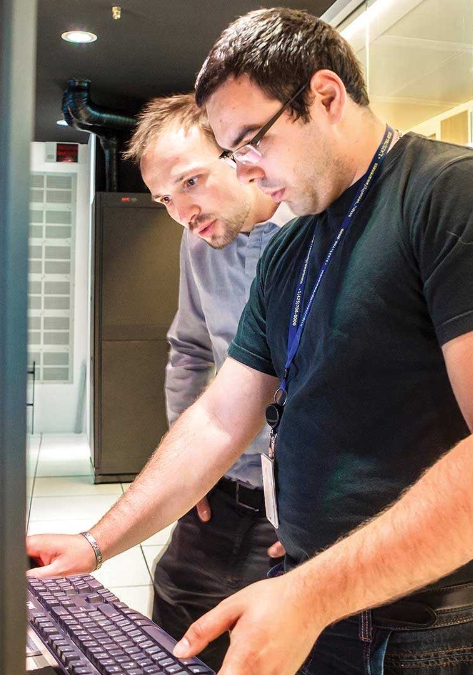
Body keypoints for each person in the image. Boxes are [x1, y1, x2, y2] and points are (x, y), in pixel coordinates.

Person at [29, 8, 473, 674]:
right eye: (232, 154)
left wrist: (310, 593)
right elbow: (220, 416)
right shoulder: (293, 249)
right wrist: (96, 542)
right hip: (330, 598)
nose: (246, 171)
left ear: (325, 96)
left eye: (252, 142)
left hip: (442, 621)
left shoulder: (463, 195)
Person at [119, 93, 293, 670]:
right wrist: (190, 470)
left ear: (240, 153)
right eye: (165, 199)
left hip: (296, 507)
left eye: (191, 181)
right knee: (170, 626)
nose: (182, 212)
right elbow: (190, 349)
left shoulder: (314, 233)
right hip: (220, 492)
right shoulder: (198, 241)